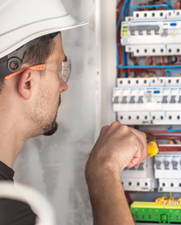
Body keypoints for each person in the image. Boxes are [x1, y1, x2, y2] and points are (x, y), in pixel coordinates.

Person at [0, 0, 147, 224]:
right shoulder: (7, 209)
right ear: (27, 82)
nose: (63, 85)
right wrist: (103, 171)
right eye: (59, 69)